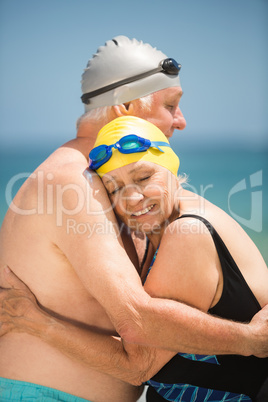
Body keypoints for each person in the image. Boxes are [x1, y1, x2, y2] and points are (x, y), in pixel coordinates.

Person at [0, 35, 268, 402]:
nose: (181, 121)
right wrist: (251, 339)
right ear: (125, 106)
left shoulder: (109, 182)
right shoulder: (71, 179)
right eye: (171, 105)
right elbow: (136, 321)